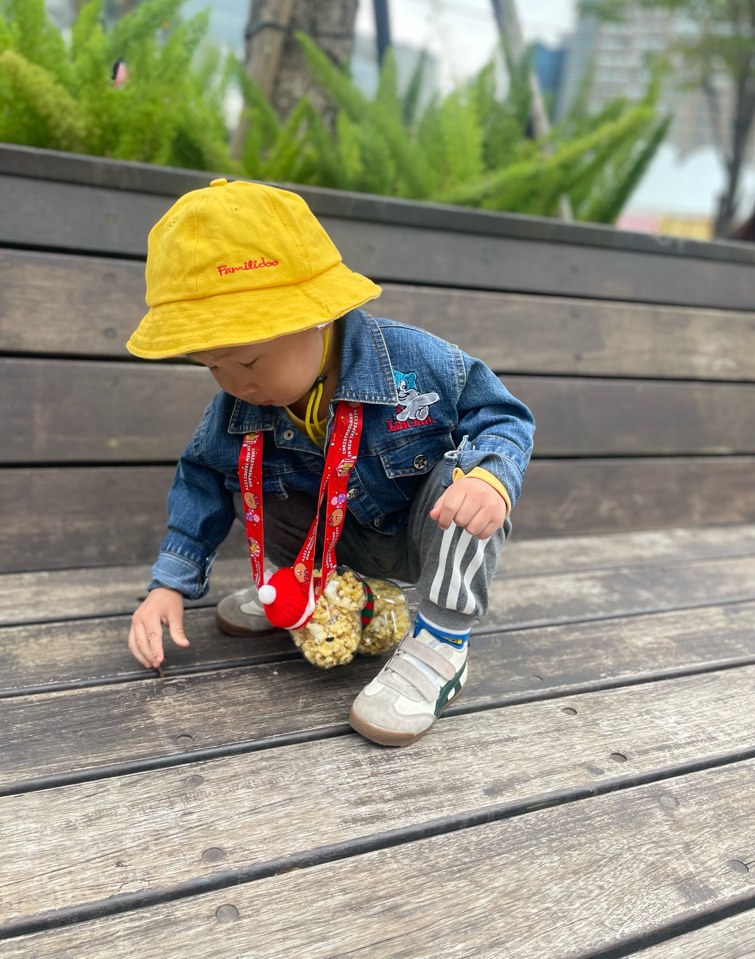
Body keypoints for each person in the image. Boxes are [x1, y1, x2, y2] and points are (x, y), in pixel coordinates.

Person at [126, 178, 535, 747]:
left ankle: (442, 643)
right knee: (239, 466)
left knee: (468, 481)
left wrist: (492, 477)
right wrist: (168, 585)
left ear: (316, 315)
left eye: (247, 360)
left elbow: (503, 416)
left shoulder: (412, 362)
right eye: (212, 367)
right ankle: (303, 589)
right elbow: (200, 479)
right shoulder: (237, 410)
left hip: (418, 536)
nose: (236, 383)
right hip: (331, 546)